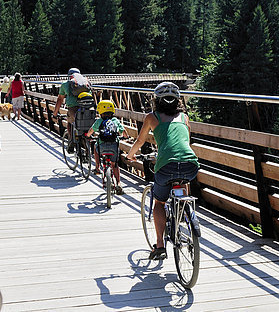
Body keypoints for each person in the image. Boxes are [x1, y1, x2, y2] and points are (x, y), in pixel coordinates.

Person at [126, 82, 199, 260]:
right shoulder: (184, 117)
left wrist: (130, 155)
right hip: (191, 164)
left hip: (166, 165)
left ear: (156, 100)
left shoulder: (152, 117)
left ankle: (159, 246)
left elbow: (141, 141)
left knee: (159, 202)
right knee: (183, 180)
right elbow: (185, 141)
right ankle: (183, 209)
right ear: (178, 100)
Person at [85, 100, 129, 195]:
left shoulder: (99, 121)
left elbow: (91, 131)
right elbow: (123, 132)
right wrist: (126, 136)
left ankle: (97, 167)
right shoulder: (115, 121)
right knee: (115, 165)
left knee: (96, 146)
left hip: (102, 147)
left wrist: (87, 135)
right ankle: (119, 183)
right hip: (113, 146)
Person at [53, 68, 87, 152]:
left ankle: (71, 141)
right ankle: (88, 150)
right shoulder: (86, 83)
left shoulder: (65, 84)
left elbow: (60, 99)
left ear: (69, 76)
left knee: (70, 123)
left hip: (73, 109)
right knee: (86, 125)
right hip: (88, 108)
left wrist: (55, 113)